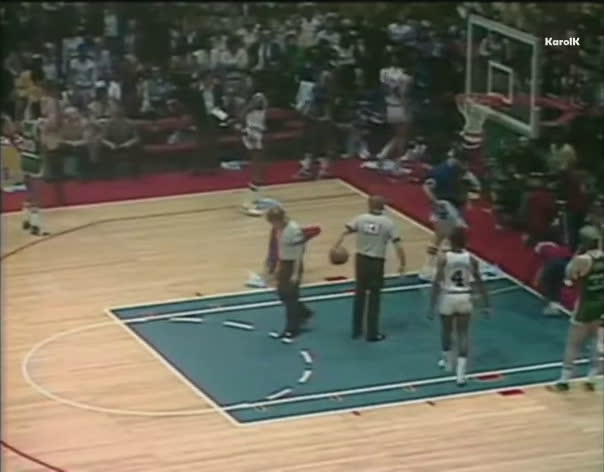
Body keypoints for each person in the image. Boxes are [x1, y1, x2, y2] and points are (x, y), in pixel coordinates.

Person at [333, 195, 406, 341]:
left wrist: (336, 246)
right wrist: (402, 264)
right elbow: (398, 245)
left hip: (361, 261)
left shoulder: (360, 219)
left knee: (359, 294)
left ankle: (356, 330)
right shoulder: (388, 223)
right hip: (376, 262)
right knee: (374, 297)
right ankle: (372, 333)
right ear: (383, 207)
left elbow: (344, 232)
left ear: (369, 205)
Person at [429, 226, 490, 386]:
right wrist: (487, 304)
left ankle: (447, 362)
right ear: (465, 241)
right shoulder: (471, 259)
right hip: (464, 297)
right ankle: (461, 375)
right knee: (463, 334)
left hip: (448, 297)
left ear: (450, 241)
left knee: (446, 331)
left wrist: (431, 305)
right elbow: (480, 282)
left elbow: (436, 282)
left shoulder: (444, 259)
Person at [554, 226, 604, 391]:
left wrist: (577, 254)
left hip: (585, 305)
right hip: (601, 305)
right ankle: (592, 378)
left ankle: (564, 380)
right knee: (595, 342)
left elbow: (569, 278)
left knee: (573, 343)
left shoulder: (582, 259)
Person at [420, 145, 480, 281]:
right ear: (458, 160)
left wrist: (467, 199)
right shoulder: (441, 171)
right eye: (464, 162)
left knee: (440, 237)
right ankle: (447, 269)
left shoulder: (460, 171)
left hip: (454, 206)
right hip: (446, 207)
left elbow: (468, 187)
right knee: (454, 237)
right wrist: (436, 202)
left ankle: (429, 267)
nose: (466, 165)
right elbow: (426, 187)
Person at [266, 206, 313, 339]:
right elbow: (280, 248)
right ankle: (303, 312)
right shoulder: (278, 229)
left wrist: (295, 273)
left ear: (280, 219)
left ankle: (292, 329)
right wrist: (278, 266)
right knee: (282, 293)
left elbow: (299, 253)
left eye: (274, 222)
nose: (273, 225)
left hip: (293, 264)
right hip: (284, 263)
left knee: (291, 297)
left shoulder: (294, 230)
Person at [239, 91, 268, 216]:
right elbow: (242, 120)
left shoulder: (261, 110)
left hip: (257, 134)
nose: (262, 101)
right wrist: (247, 134)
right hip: (252, 134)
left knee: (260, 170)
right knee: (257, 169)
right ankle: (250, 203)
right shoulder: (249, 111)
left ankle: (254, 199)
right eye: (259, 100)